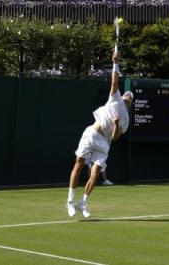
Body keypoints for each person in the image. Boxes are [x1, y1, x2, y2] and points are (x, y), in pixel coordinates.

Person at [66, 48, 132, 218]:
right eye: (125, 96)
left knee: (95, 174)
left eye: (129, 98)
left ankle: (83, 202)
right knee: (79, 164)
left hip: (105, 143)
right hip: (91, 133)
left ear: (131, 103)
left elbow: (116, 137)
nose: (126, 98)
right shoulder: (115, 97)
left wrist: (116, 125)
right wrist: (115, 62)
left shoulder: (126, 120)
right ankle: (70, 201)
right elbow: (114, 81)